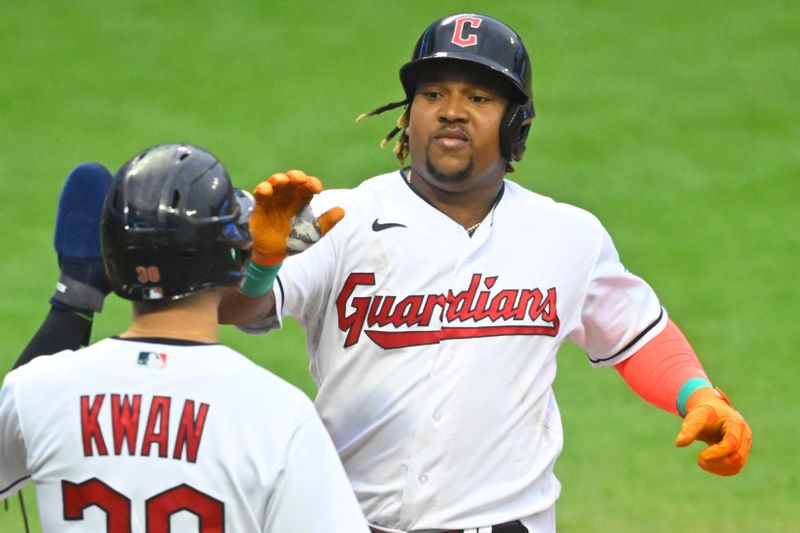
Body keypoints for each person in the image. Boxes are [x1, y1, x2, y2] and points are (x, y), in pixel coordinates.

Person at [218, 13, 753, 533]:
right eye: (433, 95)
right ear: (408, 115)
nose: (452, 112)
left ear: (516, 121)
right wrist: (262, 263)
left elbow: (637, 334)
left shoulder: (568, 235)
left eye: (478, 98)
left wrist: (699, 395)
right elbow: (241, 310)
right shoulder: (340, 218)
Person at [1, 143, 368, 532]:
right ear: (233, 255)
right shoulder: (277, 414)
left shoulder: (34, 391)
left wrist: (73, 298)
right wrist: (260, 266)